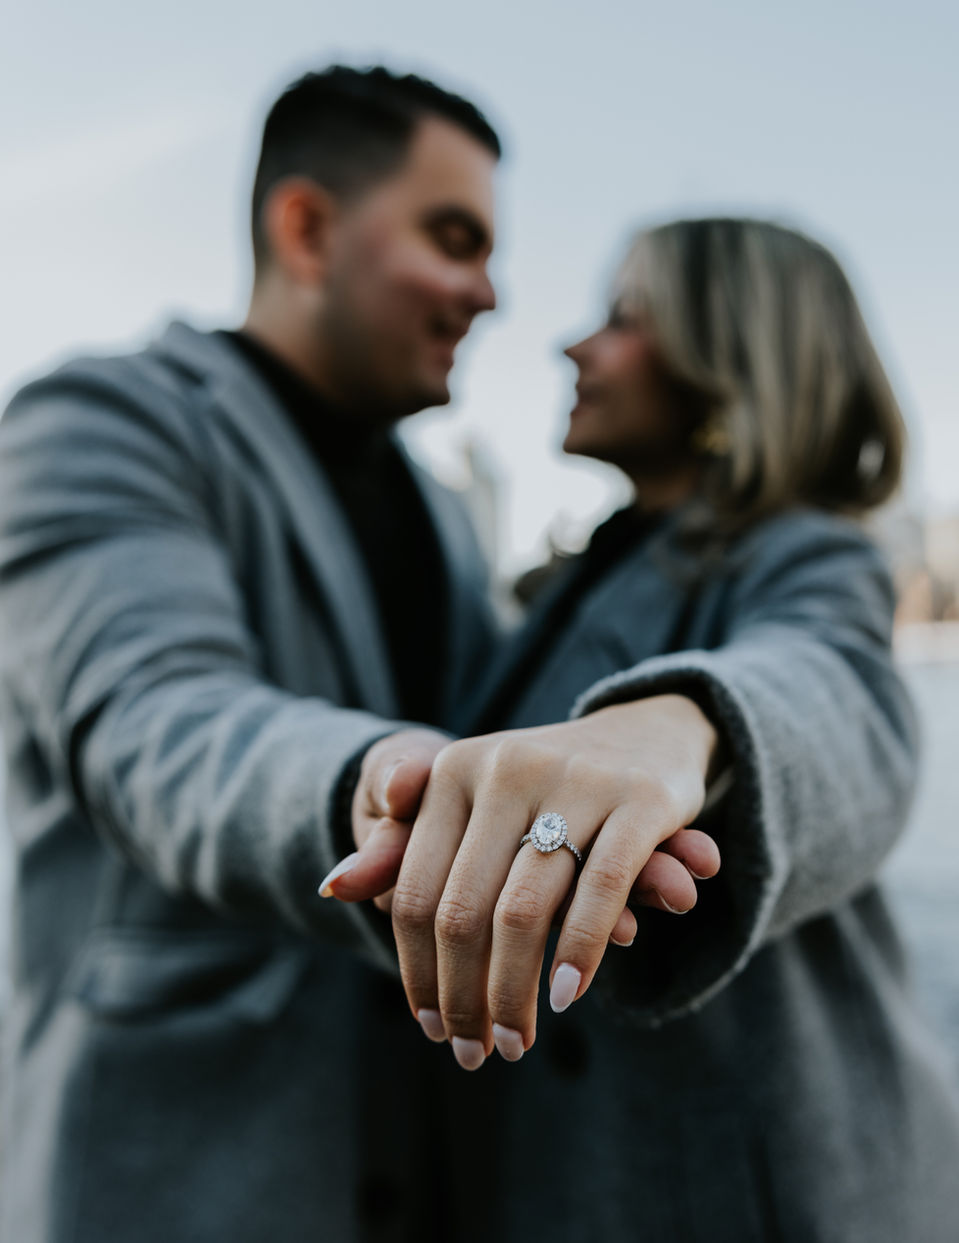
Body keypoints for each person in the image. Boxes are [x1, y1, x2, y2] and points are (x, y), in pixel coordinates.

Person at [0, 67, 708, 1243]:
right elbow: (159, 722)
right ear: (307, 227)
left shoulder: (434, 507)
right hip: (173, 1186)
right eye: (451, 238)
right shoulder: (97, 422)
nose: (488, 293)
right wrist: (395, 786)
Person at [336, 218, 959, 1240]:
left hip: (749, 1188)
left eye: (621, 318)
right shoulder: (573, 580)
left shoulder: (800, 553)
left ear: (725, 360)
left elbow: (834, 687)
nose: (571, 345)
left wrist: (682, 726)